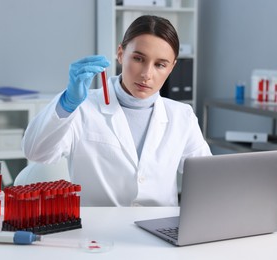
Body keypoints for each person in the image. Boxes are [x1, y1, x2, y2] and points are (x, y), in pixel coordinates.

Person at [22, 15, 212, 206]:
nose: (147, 74)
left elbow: (207, 178)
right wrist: (66, 104)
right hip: (97, 231)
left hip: (160, 229)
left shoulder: (182, 116)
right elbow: (36, 152)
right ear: (120, 54)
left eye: (160, 64)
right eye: (138, 58)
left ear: (172, 67)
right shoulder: (82, 107)